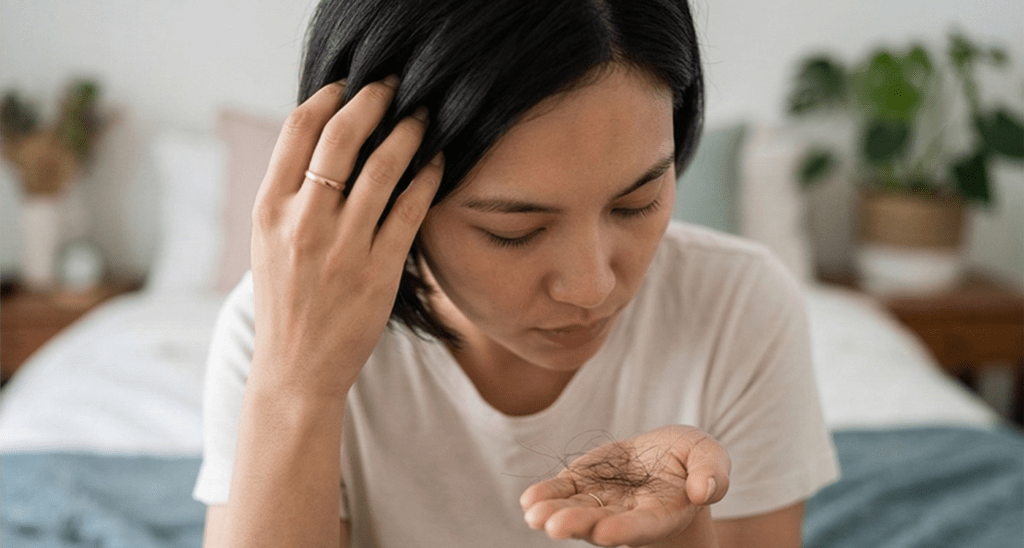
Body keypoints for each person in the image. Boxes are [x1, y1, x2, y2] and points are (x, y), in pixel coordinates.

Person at [193, 0, 840, 546]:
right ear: (388, 197)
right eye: (514, 231)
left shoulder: (738, 306)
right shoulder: (279, 329)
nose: (591, 287)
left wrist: (683, 529)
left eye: (637, 202)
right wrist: (299, 385)